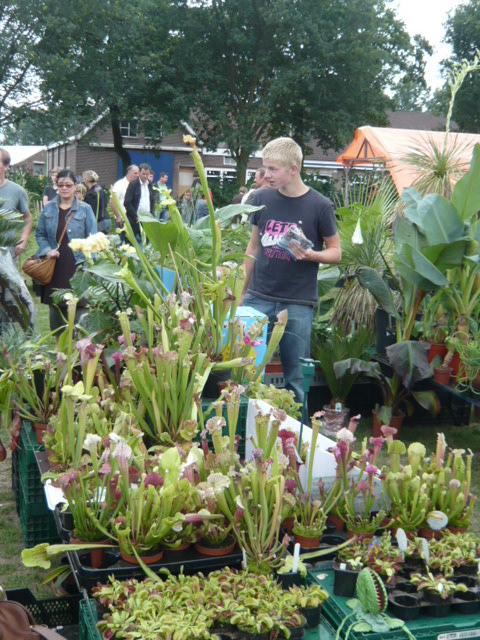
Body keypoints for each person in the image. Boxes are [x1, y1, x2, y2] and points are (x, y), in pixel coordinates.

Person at [240, 137, 341, 403]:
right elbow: (253, 247)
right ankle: (248, 424)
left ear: (293, 169)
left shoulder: (320, 205)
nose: (266, 175)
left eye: (273, 169)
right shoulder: (261, 198)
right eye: (265, 168)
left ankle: (297, 428)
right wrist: (241, 295)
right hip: (258, 299)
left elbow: (336, 252)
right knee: (246, 373)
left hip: (297, 303)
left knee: (295, 379)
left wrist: (312, 255)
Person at [35, 169, 97, 332]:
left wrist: (92, 266)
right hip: (55, 264)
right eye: (61, 185)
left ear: (75, 186)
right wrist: (47, 250)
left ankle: (79, 342)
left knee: (80, 305)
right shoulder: (48, 209)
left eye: (68, 185)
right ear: (57, 186)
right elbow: (40, 233)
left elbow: (93, 238)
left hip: (78, 264)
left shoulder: (85, 209)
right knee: (56, 305)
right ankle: (59, 343)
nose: (64, 188)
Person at [0, 148, 33, 258]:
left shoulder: (16, 191)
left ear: (6, 166)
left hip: (6, 254)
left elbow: (27, 217)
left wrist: (24, 239)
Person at [124, 163, 155, 242]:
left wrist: (152, 214)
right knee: (131, 242)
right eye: (143, 174)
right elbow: (127, 202)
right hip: (135, 219)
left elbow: (152, 201)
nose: (145, 176)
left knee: (147, 241)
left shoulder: (149, 184)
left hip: (147, 218)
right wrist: (136, 216)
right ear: (139, 173)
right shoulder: (133, 184)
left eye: (147, 174)